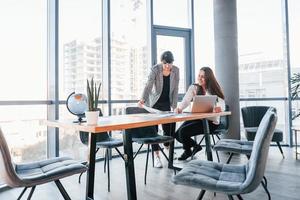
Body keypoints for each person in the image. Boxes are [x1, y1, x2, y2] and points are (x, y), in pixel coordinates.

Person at [139, 51, 180, 168]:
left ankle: (167, 149)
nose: (168, 66)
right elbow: (148, 85)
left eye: (170, 63)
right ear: (162, 62)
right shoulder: (155, 69)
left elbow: (176, 89)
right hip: (154, 102)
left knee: (169, 128)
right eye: (165, 63)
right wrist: (142, 99)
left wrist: (175, 105)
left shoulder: (176, 70)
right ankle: (156, 156)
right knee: (154, 131)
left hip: (167, 102)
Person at [174, 66, 225, 161]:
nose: (200, 78)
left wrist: (219, 108)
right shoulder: (194, 87)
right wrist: (180, 108)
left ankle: (188, 151)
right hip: (197, 119)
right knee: (177, 134)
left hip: (210, 122)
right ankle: (194, 147)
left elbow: (222, 103)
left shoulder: (213, 90)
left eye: (203, 77)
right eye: (199, 76)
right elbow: (186, 100)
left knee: (183, 132)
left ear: (208, 78)